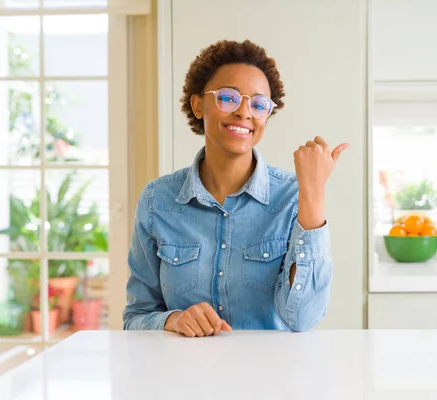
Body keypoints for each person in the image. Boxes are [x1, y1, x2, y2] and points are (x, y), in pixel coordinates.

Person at [122, 39, 348, 337]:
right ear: (198, 105)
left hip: (272, 378)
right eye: (228, 98)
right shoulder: (157, 201)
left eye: (258, 104)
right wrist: (173, 320)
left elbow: (302, 318)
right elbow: (135, 318)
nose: (244, 113)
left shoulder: (293, 197)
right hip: (186, 379)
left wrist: (314, 193)